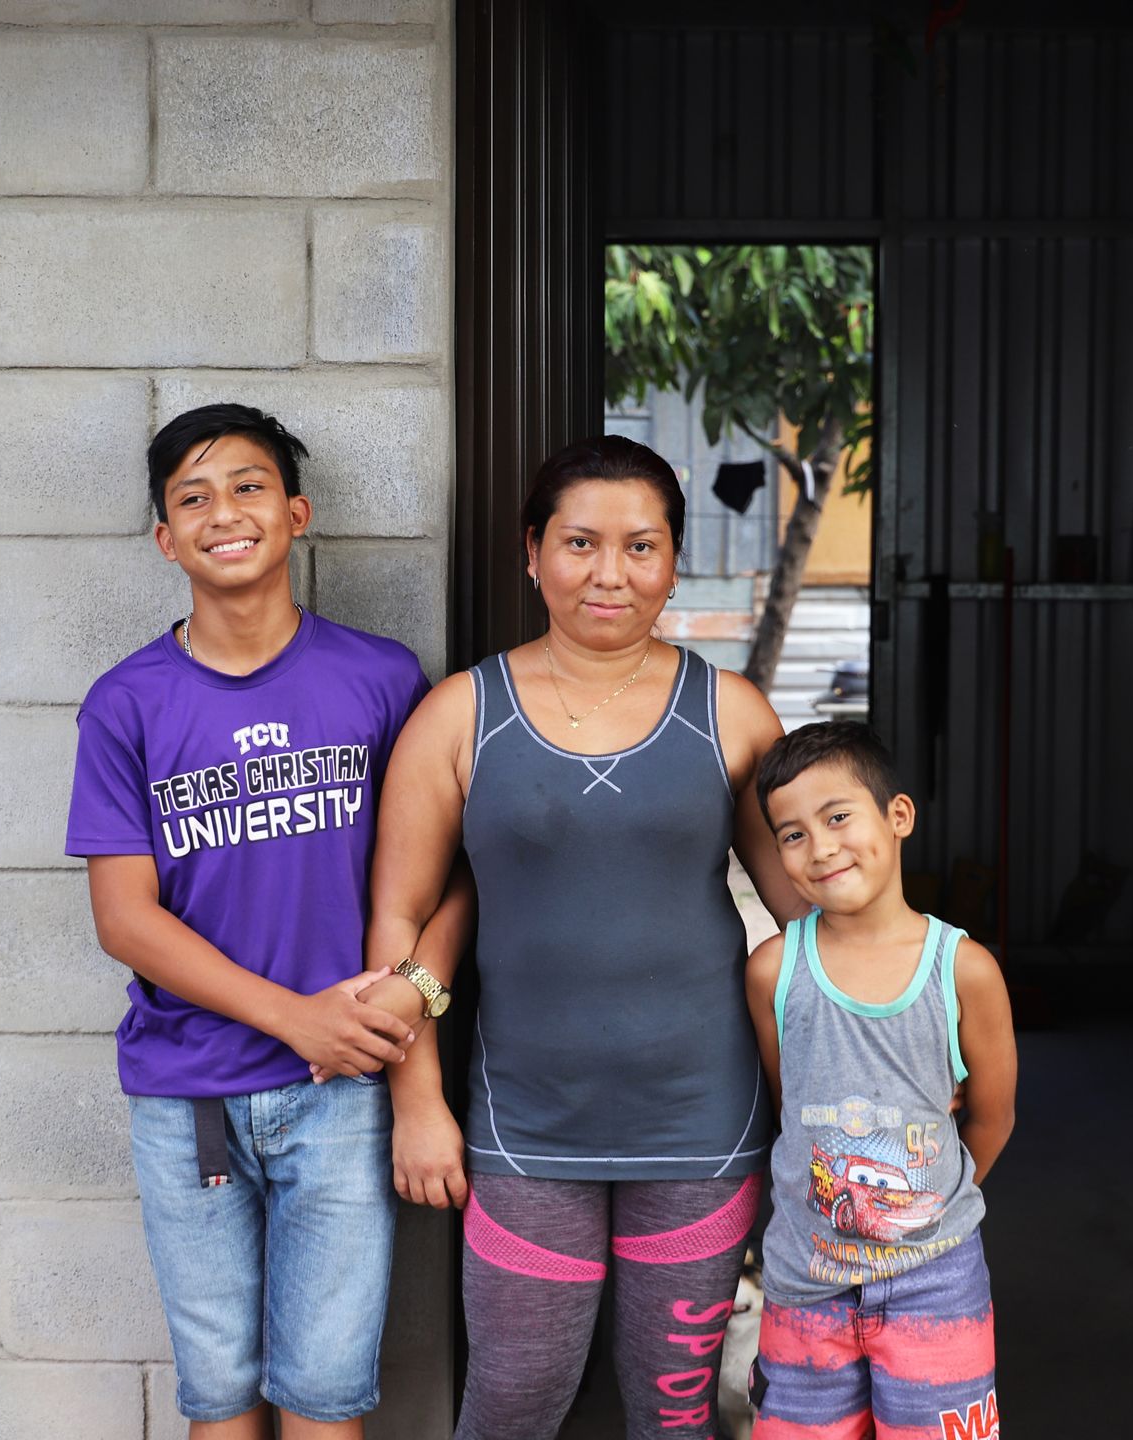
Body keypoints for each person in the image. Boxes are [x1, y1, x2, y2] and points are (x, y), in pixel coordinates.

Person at [353, 435, 808, 1439]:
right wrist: (416, 1103)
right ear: (531, 552)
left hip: (701, 1126)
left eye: (640, 546)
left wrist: (898, 1043)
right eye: (579, 543)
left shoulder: (730, 715)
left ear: (672, 561)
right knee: (513, 1401)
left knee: (675, 1413)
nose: (610, 573)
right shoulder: (458, 716)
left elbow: (807, 921)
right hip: (525, 1132)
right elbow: (395, 923)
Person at [68, 402, 464, 1439]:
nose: (222, 512)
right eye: (191, 497)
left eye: (247, 486)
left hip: (339, 1097)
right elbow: (124, 918)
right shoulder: (127, 703)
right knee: (219, 1397)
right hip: (186, 1090)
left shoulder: (379, 679)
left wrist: (407, 1001)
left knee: (325, 1395)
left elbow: (446, 884)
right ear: (165, 538)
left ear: (296, 512)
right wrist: (295, 1018)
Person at [744, 721, 1016, 1440]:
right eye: (792, 834)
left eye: (837, 817)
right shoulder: (774, 971)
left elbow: (992, 1117)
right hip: (804, 1282)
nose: (821, 846)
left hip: (937, 1286)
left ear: (897, 817)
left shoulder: (964, 971)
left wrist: (932, 1211)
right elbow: (789, 1105)